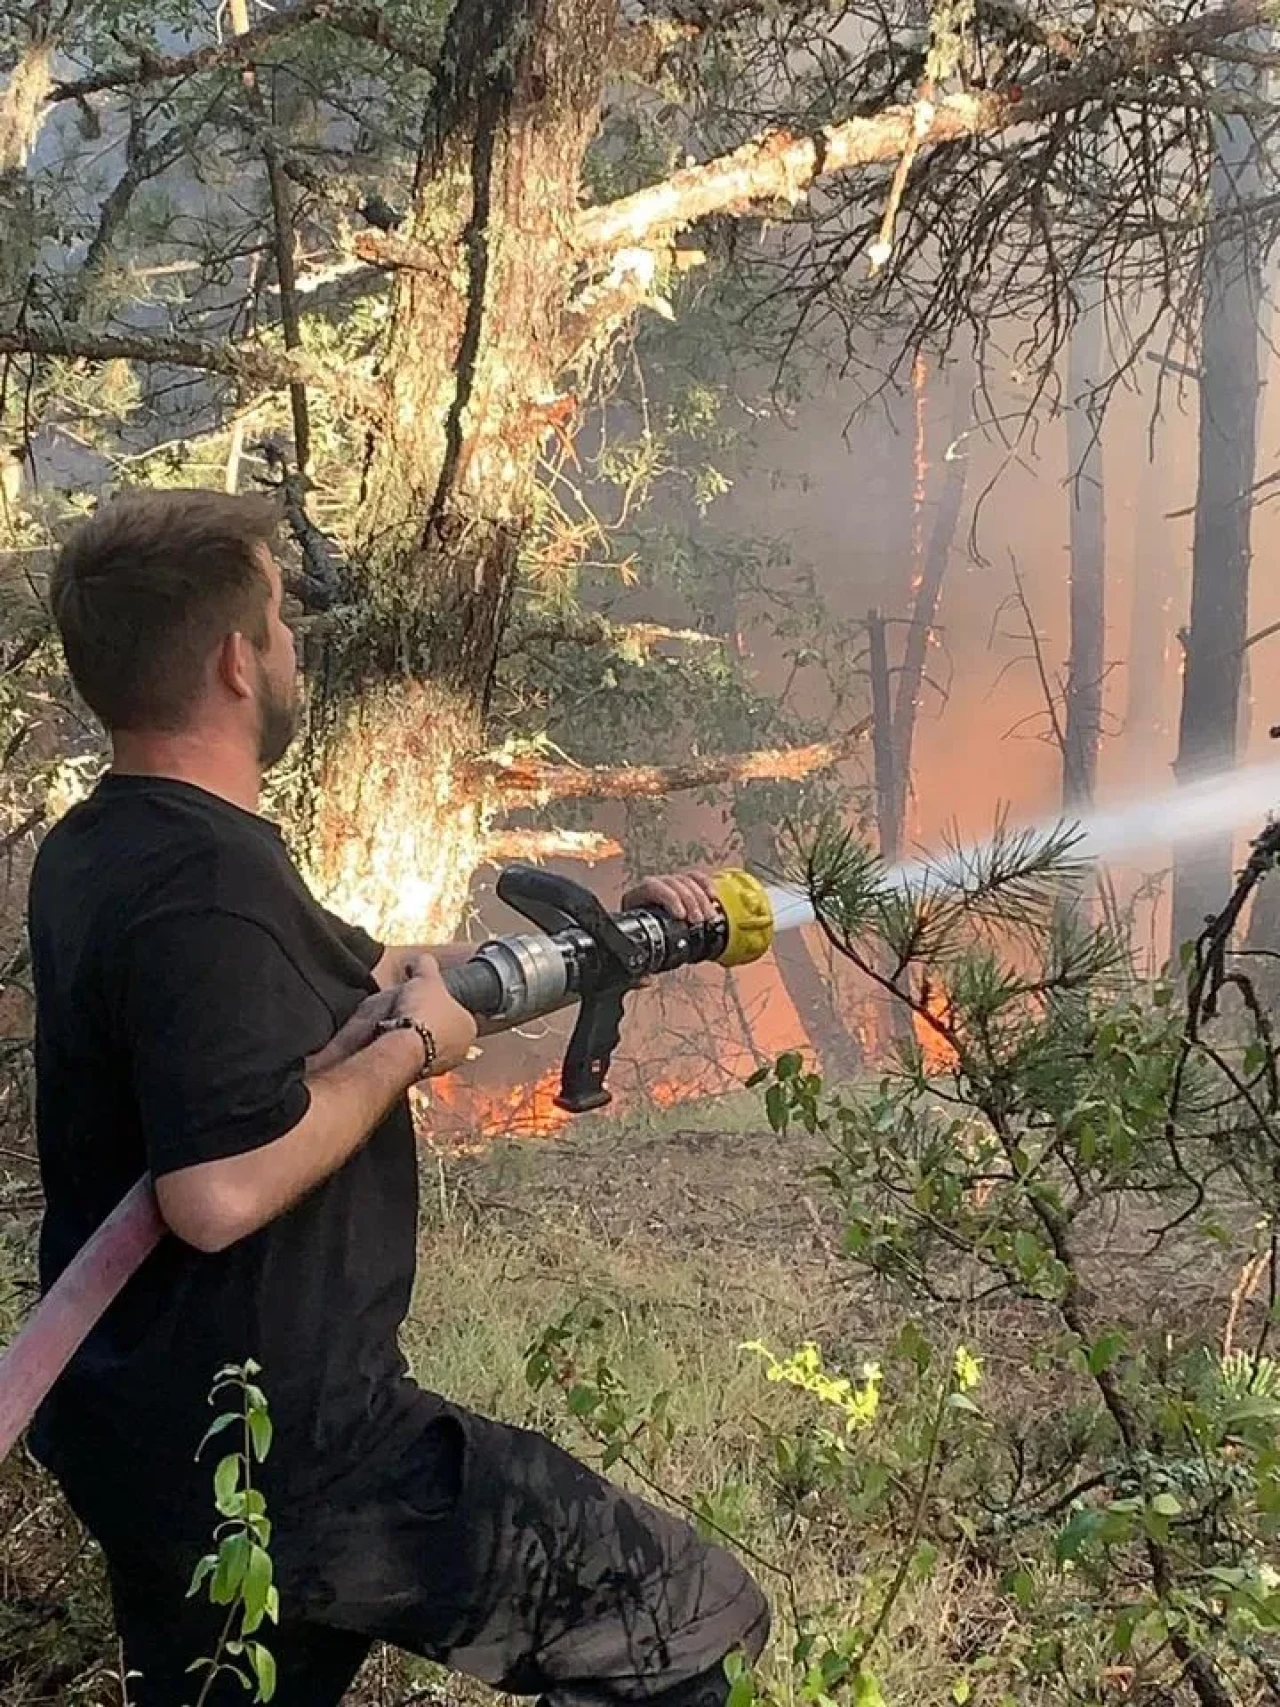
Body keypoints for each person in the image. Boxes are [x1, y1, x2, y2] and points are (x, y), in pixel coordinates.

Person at [27, 490, 769, 1706]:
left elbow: (360, 980)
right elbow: (214, 1190)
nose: (293, 646)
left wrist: (619, 943)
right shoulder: (203, 883)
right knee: (668, 1611)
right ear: (231, 659)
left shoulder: (110, 847)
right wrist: (408, 1053)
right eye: (280, 620)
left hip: (160, 1443)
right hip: (295, 1454)